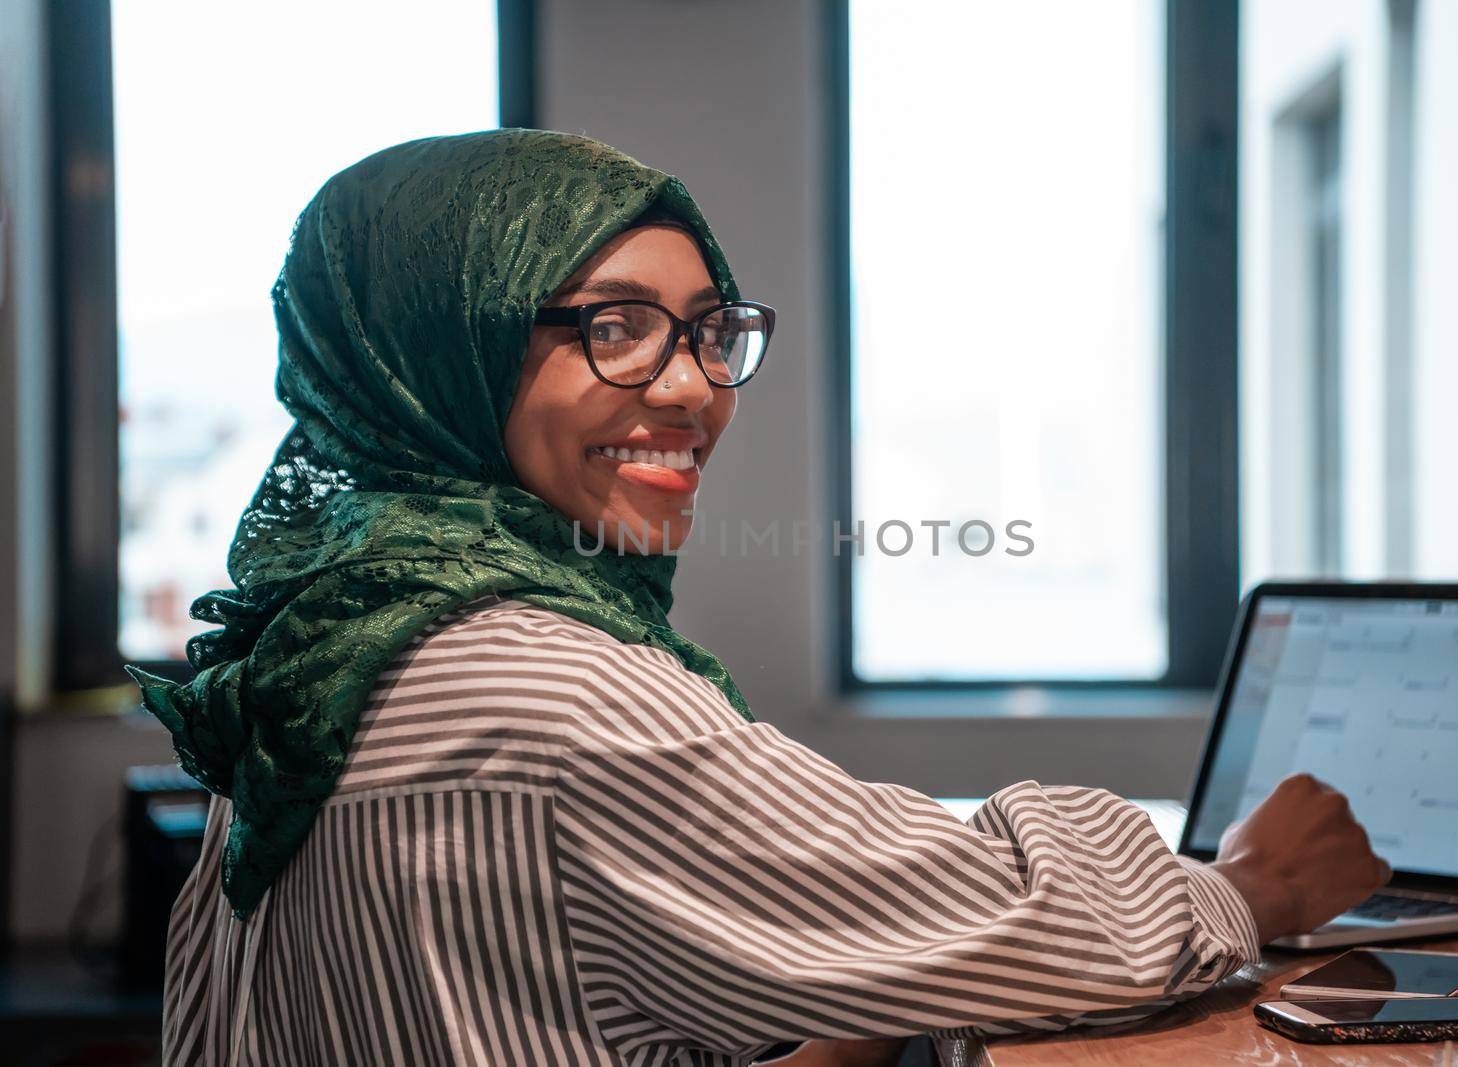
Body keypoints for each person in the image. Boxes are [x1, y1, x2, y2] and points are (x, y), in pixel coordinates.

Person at [131, 129, 1389, 1067]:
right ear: (433, 349)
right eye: (614, 326)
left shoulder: (321, 642)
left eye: (706, 328)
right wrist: (1246, 887)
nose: (690, 390)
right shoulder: (543, 686)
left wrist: (856, 991)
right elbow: (1042, 923)